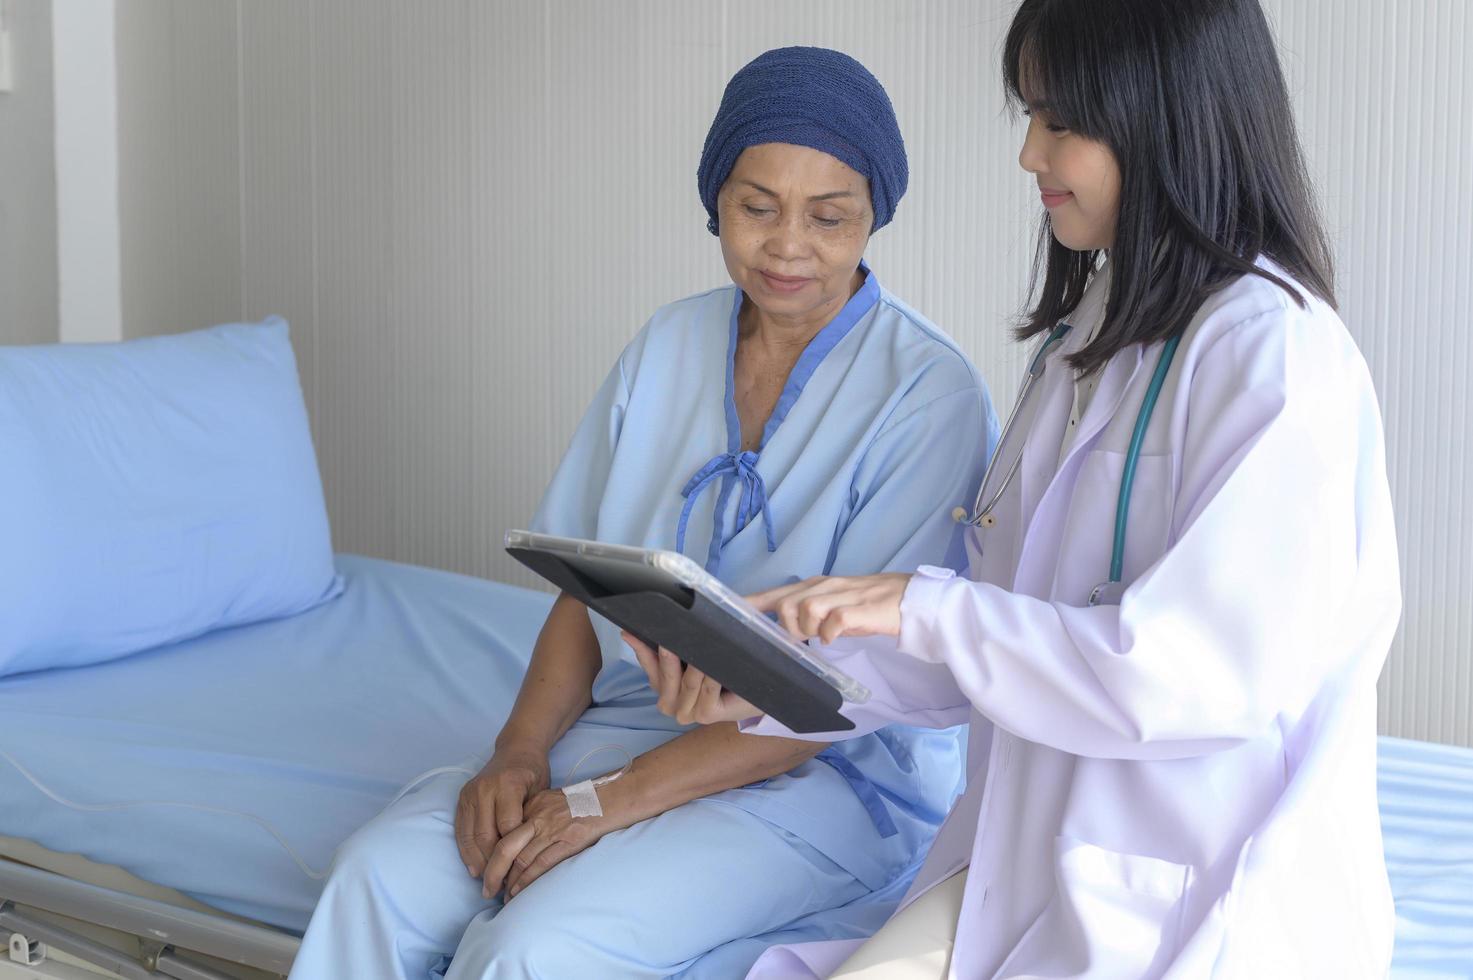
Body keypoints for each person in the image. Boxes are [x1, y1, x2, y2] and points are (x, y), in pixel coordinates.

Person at [637, 3, 1401, 977]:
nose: (1029, 152)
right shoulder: (1090, 335)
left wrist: (925, 605)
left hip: (1199, 898)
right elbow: (997, 645)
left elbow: (1187, 676)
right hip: (1034, 864)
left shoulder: (1276, 355)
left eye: (1060, 122)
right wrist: (769, 669)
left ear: (1160, 116)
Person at [288, 46, 999, 980]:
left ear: (874, 217)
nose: (789, 246)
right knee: (372, 880)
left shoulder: (929, 395)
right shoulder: (667, 343)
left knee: (532, 949)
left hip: (819, 781)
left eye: (830, 217)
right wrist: (516, 755)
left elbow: (842, 704)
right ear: (715, 202)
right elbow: (581, 597)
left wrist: (606, 804)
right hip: (626, 728)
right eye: (755, 208)